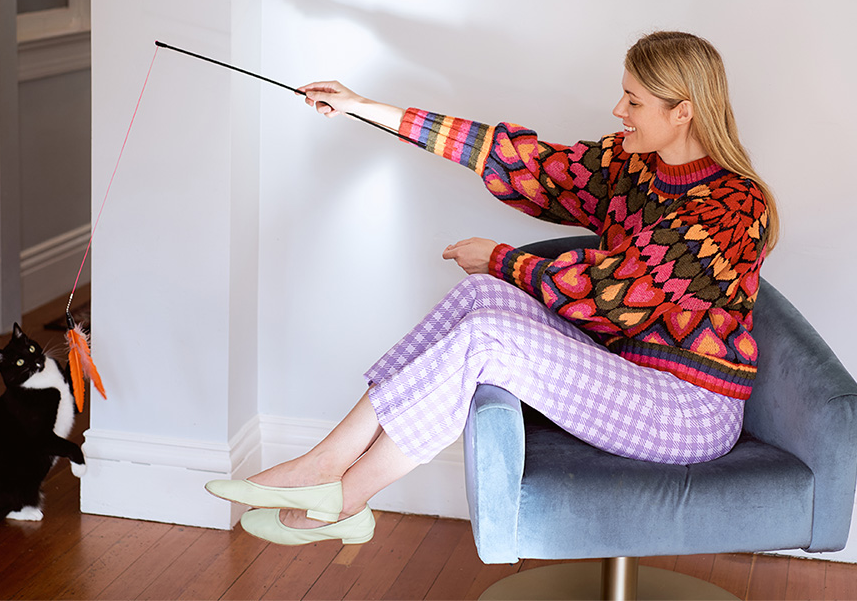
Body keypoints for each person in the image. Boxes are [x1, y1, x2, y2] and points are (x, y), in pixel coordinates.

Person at [206, 31, 777, 547]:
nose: (617, 110)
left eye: (633, 101)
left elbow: (614, 296)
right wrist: (363, 107)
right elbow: (518, 159)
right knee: (481, 300)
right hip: (627, 375)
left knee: (488, 337)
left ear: (683, 112)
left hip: (688, 409)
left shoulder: (731, 207)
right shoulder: (631, 165)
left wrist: (504, 260)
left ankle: (345, 498)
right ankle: (327, 461)